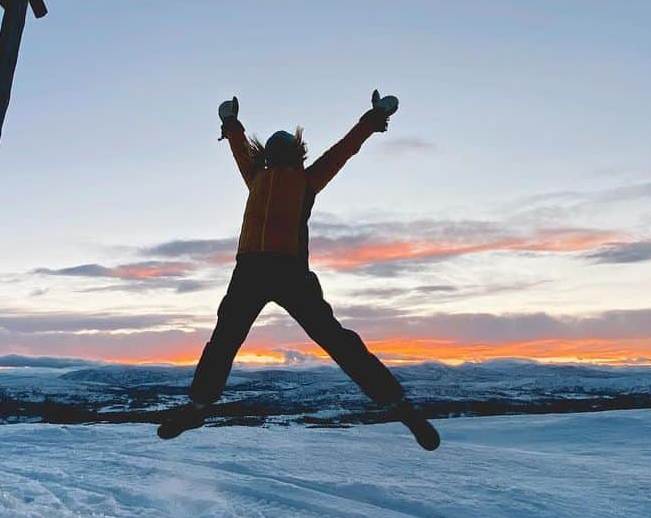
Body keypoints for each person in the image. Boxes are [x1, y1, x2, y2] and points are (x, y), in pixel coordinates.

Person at [157, 92, 440, 450]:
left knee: (332, 339)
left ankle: (400, 408)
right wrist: (230, 123)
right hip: (252, 270)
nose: (278, 158)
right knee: (226, 338)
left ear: (292, 155)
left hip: (286, 271)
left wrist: (374, 118)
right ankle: (197, 407)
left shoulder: (306, 181)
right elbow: (240, 148)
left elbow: (344, 150)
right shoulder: (256, 177)